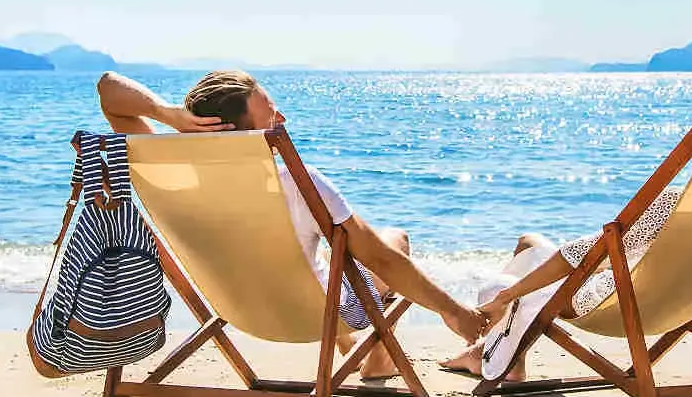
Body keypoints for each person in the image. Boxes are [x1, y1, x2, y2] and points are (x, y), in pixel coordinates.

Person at [95, 70, 485, 379]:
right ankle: (377, 356)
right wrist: (454, 311)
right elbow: (382, 261)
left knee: (324, 266)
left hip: (235, 310)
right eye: (270, 113)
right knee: (392, 240)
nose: (282, 118)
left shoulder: (169, 175)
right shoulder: (299, 183)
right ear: (237, 130)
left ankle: (374, 358)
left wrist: (166, 115)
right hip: (320, 317)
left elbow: (109, 90)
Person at [440, 94, 692, 381]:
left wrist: (505, 297)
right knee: (531, 243)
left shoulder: (678, 206)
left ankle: (491, 352)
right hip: (681, 308)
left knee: (521, 266)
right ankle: (496, 351)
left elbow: (580, 256)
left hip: (620, 309)